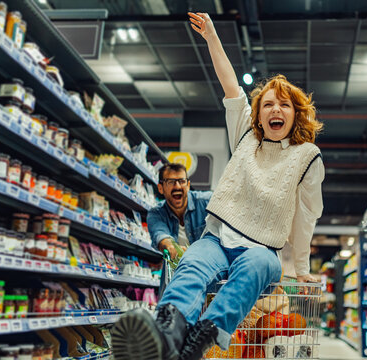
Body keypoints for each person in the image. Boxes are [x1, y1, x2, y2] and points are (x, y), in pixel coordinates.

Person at [111, 12, 324, 360]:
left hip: (262, 250)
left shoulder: (307, 156)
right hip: (216, 237)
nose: (275, 109)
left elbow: (308, 213)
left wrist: (300, 267)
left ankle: (201, 339)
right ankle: (166, 335)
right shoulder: (245, 135)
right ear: (257, 115)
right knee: (191, 266)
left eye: (284, 104)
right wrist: (212, 37)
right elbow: (231, 87)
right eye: (267, 103)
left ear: (295, 114)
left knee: (254, 268)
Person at [148, 163, 212, 259]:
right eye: (170, 182)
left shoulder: (208, 203)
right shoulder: (156, 213)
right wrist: (170, 246)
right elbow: (160, 234)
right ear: (160, 188)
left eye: (182, 181)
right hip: (178, 271)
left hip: (208, 269)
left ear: (188, 185)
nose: (177, 186)